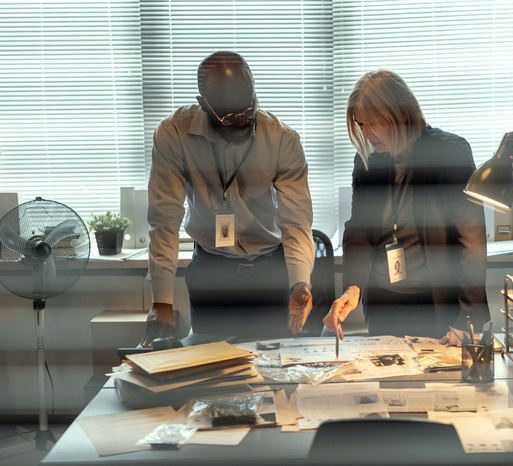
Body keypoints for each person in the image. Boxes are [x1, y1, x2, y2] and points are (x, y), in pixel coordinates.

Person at [140, 51, 315, 347]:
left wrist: (299, 281)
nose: (241, 124)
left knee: (272, 371)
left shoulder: (282, 140)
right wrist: (162, 301)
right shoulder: (173, 135)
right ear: (203, 105)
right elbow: (165, 220)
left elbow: (296, 221)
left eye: (248, 113)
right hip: (212, 276)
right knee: (210, 374)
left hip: (270, 274)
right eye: (229, 117)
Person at [323, 69, 489, 341]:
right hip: (384, 303)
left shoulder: (449, 153)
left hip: (437, 304)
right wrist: (351, 288)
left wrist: (468, 318)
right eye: (360, 125)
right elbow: (359, 232)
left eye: (372, 124)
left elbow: (471, 240)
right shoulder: (367, 162)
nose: (366, 135)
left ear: (400, 116)